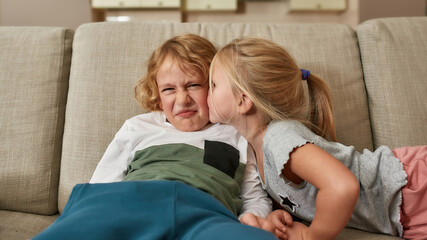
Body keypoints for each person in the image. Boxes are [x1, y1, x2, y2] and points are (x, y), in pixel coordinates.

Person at [32, 34, 280, 240]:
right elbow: (101, 186)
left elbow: (252, 197)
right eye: (169, 89)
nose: (182, 99)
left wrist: (253, 219)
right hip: (133, 203)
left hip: (205, 213)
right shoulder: (139, 126)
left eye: (193, 85)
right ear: (158, 96)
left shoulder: (234, 132)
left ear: (214, 85)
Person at [207, 37, 427, 240]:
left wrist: (312, 236)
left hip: (410, 186)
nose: (207, 91)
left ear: (243, 101)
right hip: (402, 218)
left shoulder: (279, 137)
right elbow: (306, 199)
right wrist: (280, 219)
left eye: (214, 84)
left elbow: (342, 187)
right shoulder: (256, 150)